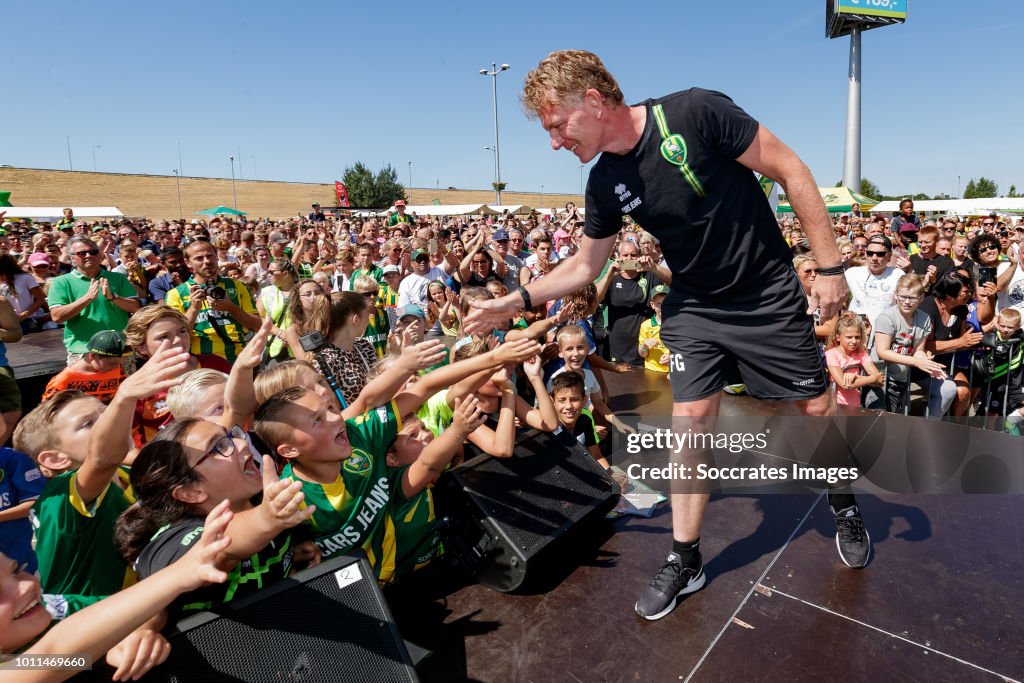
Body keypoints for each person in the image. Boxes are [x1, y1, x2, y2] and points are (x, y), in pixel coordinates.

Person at [466, 49, 869, 621]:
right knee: (690, 424)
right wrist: (514, 299)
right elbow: (584, 267)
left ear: (595, 101)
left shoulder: (695, 113)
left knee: (813, 410)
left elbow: (791, 169)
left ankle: (844, 502)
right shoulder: (604, 182)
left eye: (557, 125)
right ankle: (686, 558)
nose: (554, 142)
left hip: (765, 294)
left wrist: (828, 268)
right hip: (696, 307)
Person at [47, 236, 141, 365]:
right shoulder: (61, 282)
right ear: (72, 258)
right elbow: (57, 316)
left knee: (125, 385)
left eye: (93, 252)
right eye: (81, 253)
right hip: (83, 350)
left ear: (99, 255)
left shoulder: (118, 278)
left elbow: (136, 308)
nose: (88, 255)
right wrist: (87, 298)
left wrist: (113, 297)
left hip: (119, 348)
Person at [165, 240, 261, 364]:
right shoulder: (175, 294)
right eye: (199, 258)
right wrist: (194, 309)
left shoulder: (238, 286)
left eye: (210, 256)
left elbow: (257, 325)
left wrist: (231, 308)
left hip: (240, 360)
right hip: (201, 365)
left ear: (216, 257)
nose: (207, 261)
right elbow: (174, 337)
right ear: (188, 263)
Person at [41, 330, 130, 404]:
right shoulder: (64, 380)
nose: (116, 367)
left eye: (119, 363)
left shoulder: (117, 369)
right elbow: (46, 410)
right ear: (92, 355)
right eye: (111, 363)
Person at [824, 313, 881, 407]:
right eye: (849, 337)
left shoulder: (861, 353)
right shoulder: (831, 354)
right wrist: (872, 378)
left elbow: (879, 380)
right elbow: (844, 384)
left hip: (856, 404)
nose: (854, 341)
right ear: (838, 337)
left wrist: (856, 378)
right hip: (837, 405)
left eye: (857, 337)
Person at [639, 284, 670, 373]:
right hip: (652, 371)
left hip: (673, 372)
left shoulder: (678, 324)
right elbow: (643, 354)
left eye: (665, 303)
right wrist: (644, 345)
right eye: (658, 304)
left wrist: (672, 358)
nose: (662, 307)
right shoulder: (646, 325)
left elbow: (685, 351)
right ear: (652, 305)